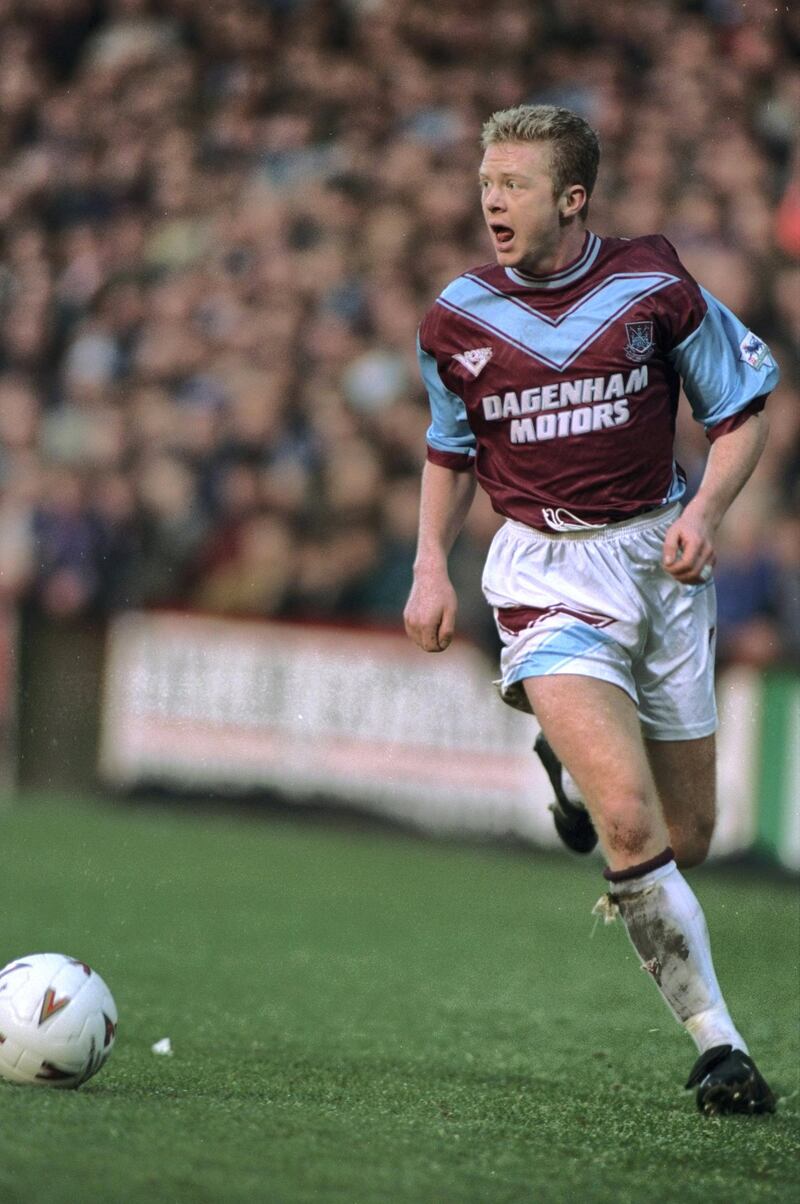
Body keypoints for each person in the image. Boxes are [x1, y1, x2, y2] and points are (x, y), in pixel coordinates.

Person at [404, 104, 779, 1116]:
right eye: (486, 181)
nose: (491, 198)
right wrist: (429, 569)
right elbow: (450, 449)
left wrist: (704, 510)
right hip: (542, 574)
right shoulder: (454, 318)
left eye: (513, 184)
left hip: (657, 563)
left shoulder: (653, 284)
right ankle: (717, 1045)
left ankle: (558, 765)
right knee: (626, 819)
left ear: (571, 199)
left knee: (681, 836)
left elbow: (740, 409)